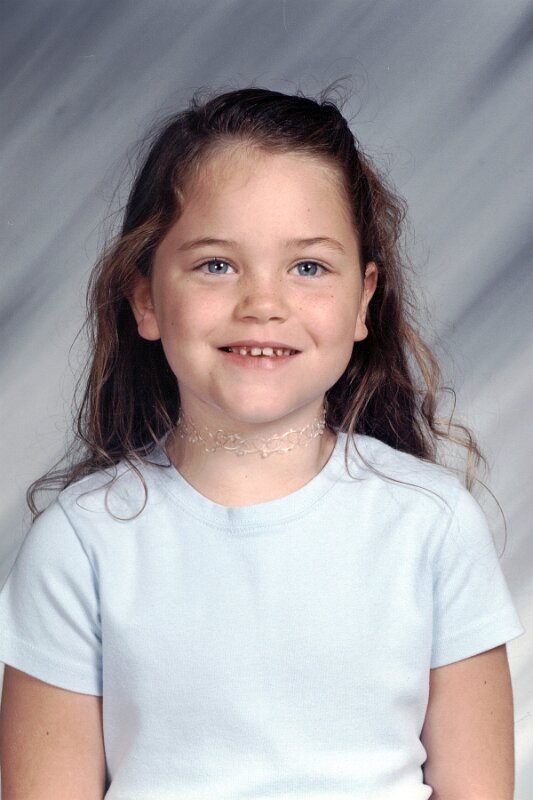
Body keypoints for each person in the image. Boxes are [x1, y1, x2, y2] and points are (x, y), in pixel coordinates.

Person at [0, 87, 524, 800]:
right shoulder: (80, 544)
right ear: (146, 298)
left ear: (363, 299)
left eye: (307, 267)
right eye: (216, 264)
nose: (263, 304)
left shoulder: (430, 525)